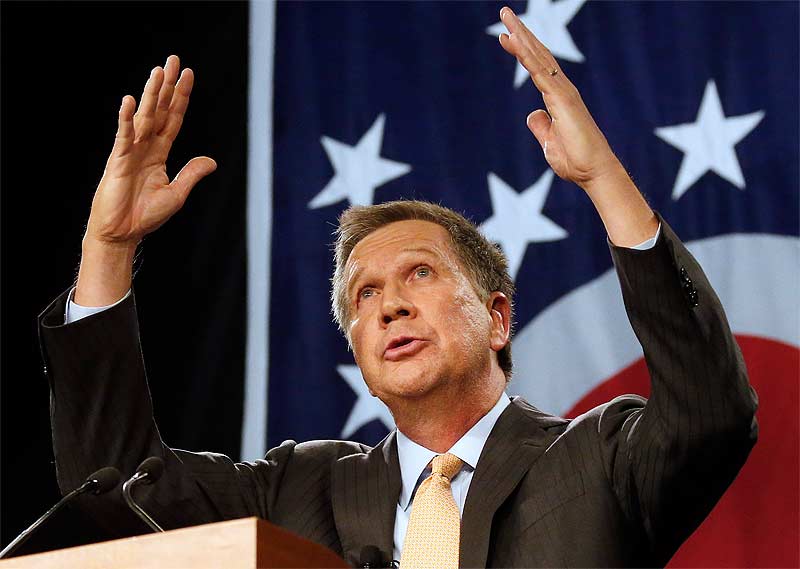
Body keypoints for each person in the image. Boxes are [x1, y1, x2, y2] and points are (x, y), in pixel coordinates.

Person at [38, 7, 757, 568]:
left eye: (420, 272)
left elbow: (712, 411)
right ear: (357, 348)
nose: (390, 305)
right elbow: (115, 490)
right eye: (364, 295)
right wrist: (109, 248)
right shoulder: (298, 488)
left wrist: (603, 180)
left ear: (497, 317)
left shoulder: (598, 460)